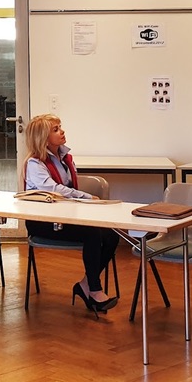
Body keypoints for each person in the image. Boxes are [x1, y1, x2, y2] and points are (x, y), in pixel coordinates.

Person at [22, 114, 121, 314]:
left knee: (112, 235)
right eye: (56, 129)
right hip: (43, 222)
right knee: (92, 234)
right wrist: (87, 197)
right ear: (43, 138)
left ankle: (85, 284)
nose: (62, 131)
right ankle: (94, 290)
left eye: (60, 127)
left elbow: (68, 188)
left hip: (65, 217)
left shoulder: (65, 158)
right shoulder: (35, 163)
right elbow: (55, 190)